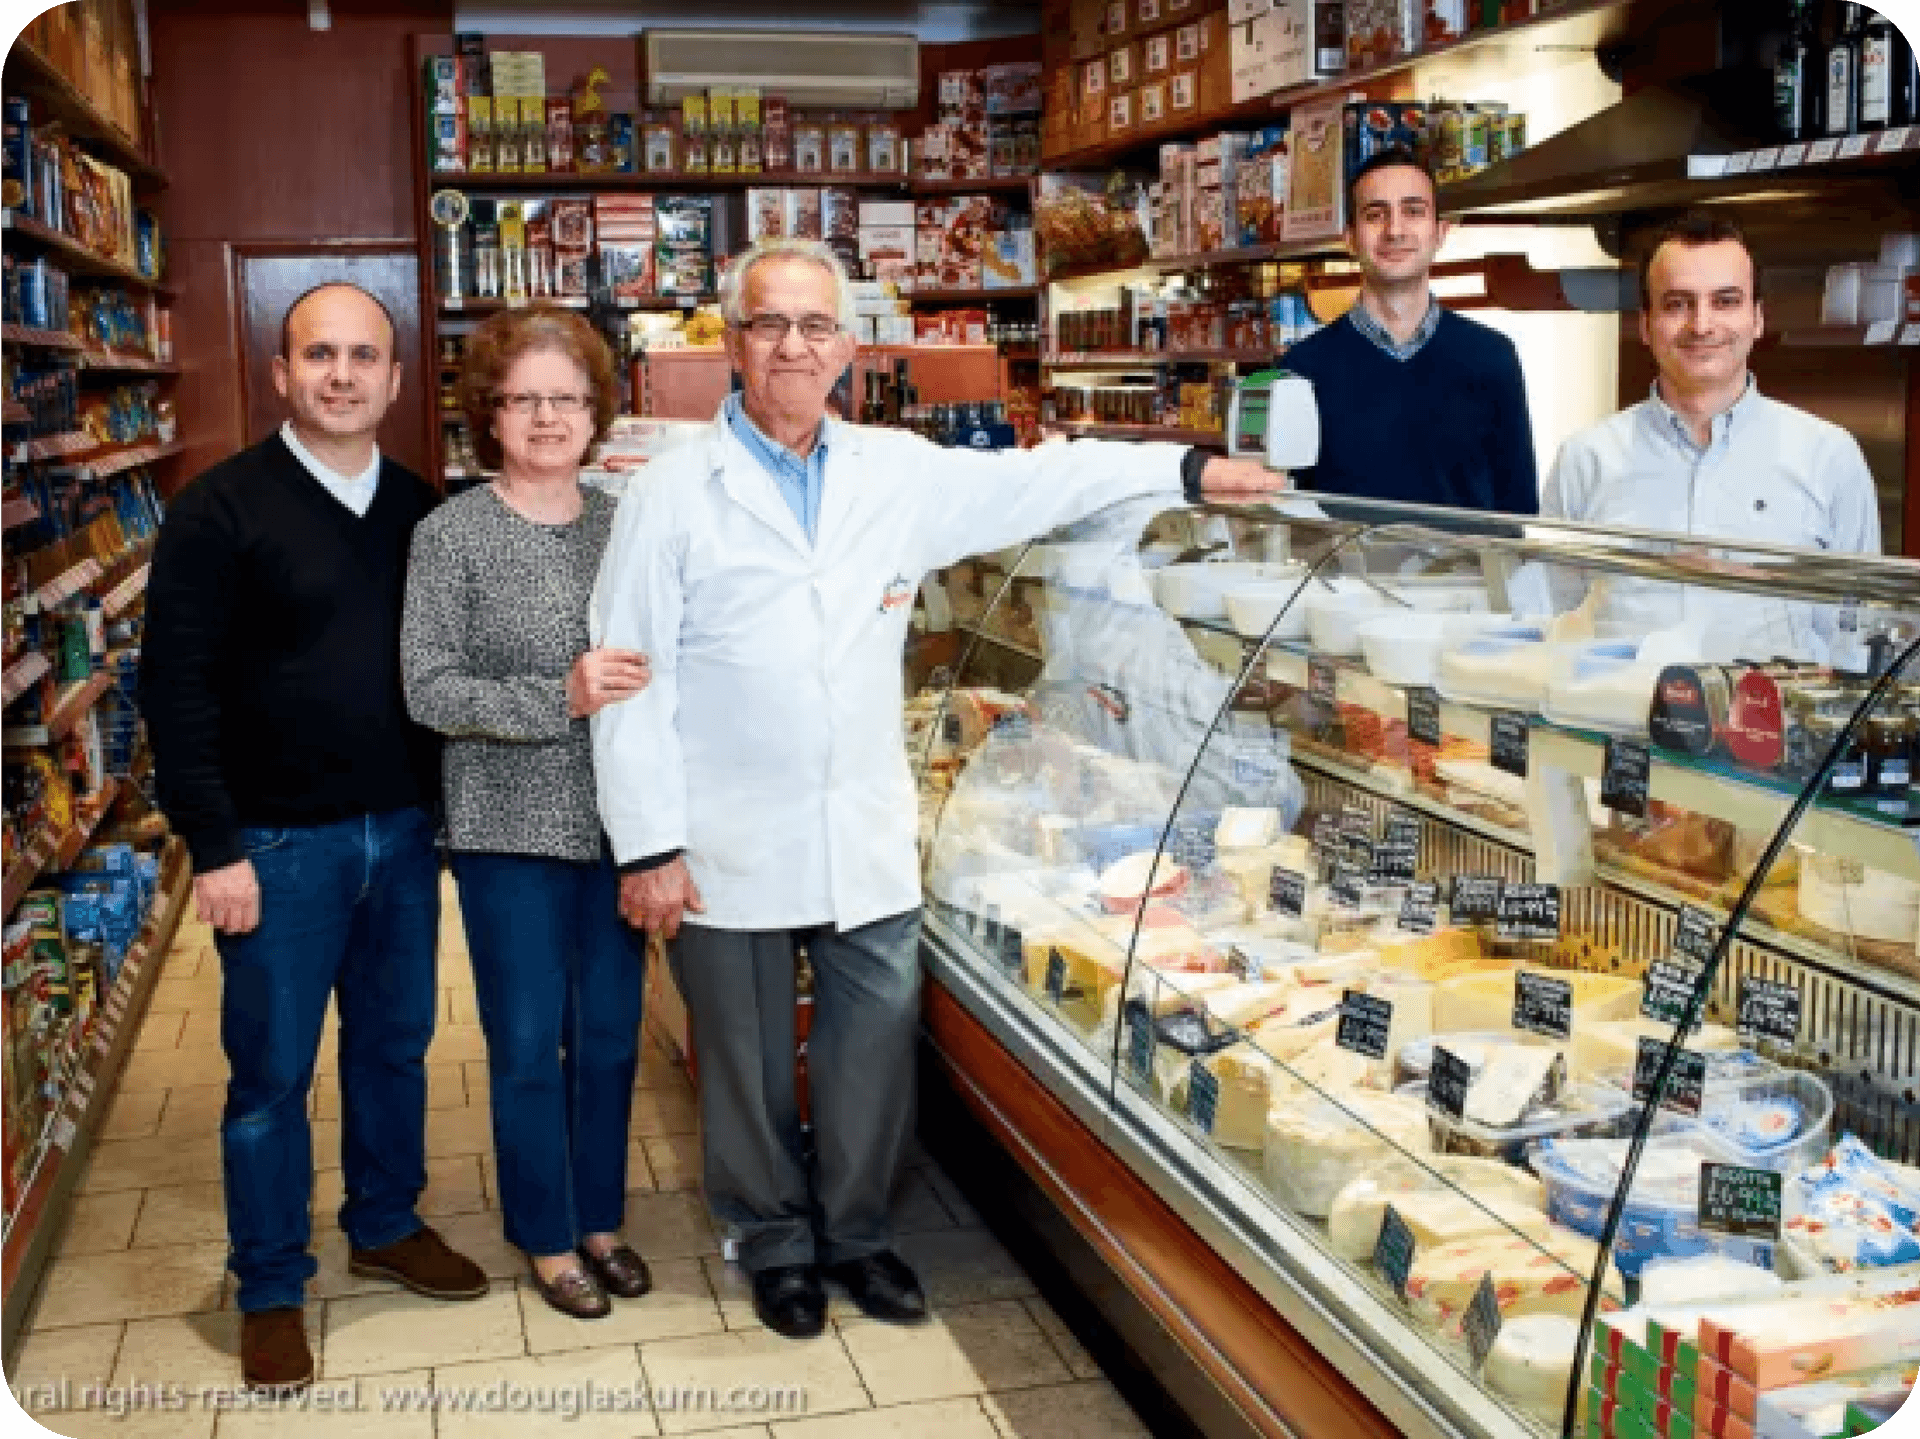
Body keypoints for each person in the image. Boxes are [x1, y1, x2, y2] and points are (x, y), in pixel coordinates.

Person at [591, 238, 1293, 1340]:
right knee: (748, 1055)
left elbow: (1041, 476)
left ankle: (859, 1231)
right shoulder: (675, 491)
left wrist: (1186, 471)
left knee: (874, 1042)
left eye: (815, 325)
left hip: (864, 822)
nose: (792, 346)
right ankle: (772, 1239)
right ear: (733, 343)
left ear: (849, 347)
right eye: (769, 324)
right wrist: (647, 846)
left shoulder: (894, 469)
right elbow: (626, 675)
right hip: (722, 827)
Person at [140, 283, 487, 1392]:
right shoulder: (219, 510)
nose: (342, 373)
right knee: (270, 1076)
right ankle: (272, 1283)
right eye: (319, 354)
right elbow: (175, 689)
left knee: (394, 1045)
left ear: (394, 377)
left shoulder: (422, 511)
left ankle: (384, 1221)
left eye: (364, 355)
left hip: (401, 832)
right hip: (279, 848)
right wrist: (216, 842)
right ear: (281, 372)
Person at [401, 306, 654, 1320]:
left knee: (608, 1036)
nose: (548, 416)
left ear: (597, 413)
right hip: (507, 831)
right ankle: (547, 1233)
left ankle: (601, 1217)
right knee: (523, 1040)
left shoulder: (627, 522)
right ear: (489, 414)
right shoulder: (450, 533)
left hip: (619, 827)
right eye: (526, 399)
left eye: (568, 397)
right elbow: (428, 687)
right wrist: (563, 694)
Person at [1540, 211, 1880, 658]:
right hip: (1620, 720)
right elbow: (1554, 617)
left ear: (1757, 319)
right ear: (1645, 324)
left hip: (1775, 723)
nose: (1701, 325)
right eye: (1677, 303)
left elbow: (1854, 635)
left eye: (1725, 301)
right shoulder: (1586, 458)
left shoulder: (1829, 456)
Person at [1282, 146, 1537, 515]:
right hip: (1341, 574)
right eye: (1375, 215)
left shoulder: (1492, 357)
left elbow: (1519, 507)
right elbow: (1288, 512)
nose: (1395, 230)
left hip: (1465, 574)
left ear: (1440, 232)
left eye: (1413, 211)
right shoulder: (1302, 368)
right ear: (1350, 238)